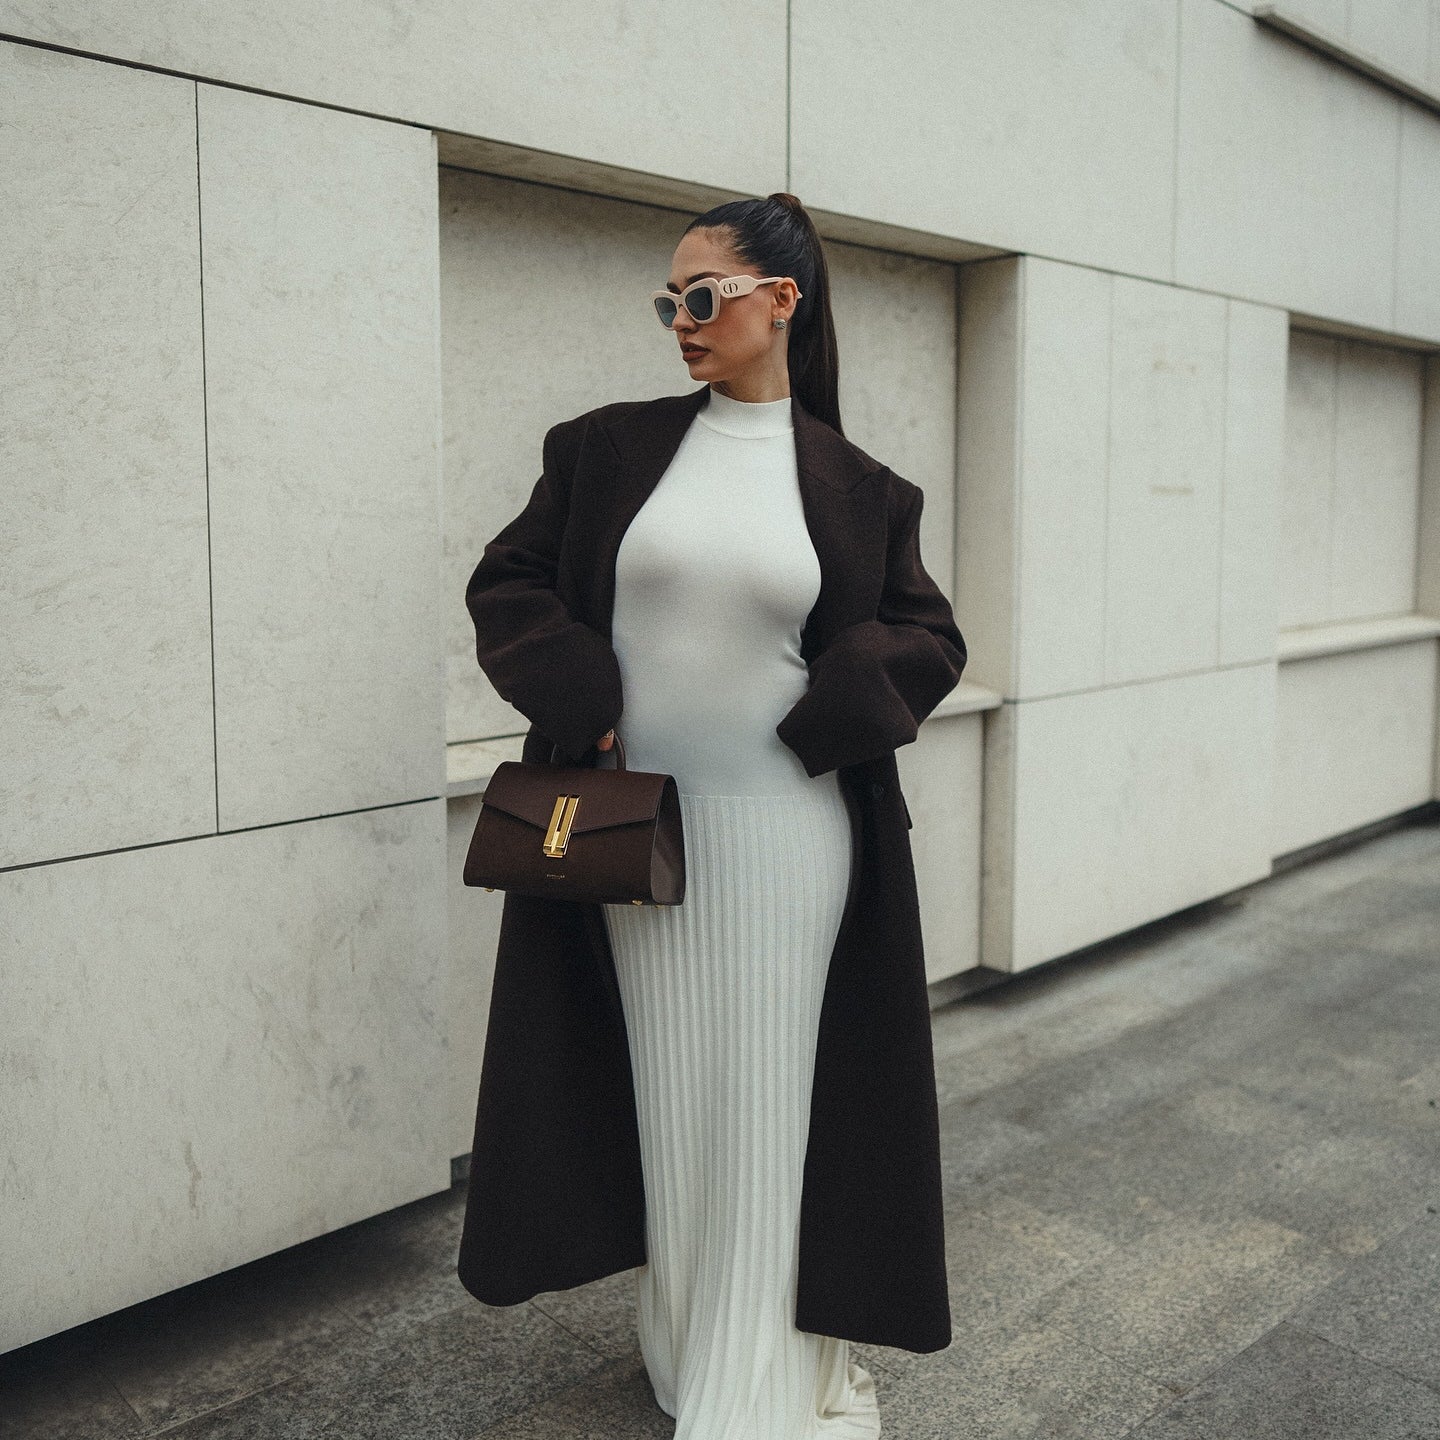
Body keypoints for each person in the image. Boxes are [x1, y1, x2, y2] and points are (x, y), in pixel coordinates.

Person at [461, 191, 966, 1438]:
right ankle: (687, 1344)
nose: (681, 321)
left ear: (778, 302)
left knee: (772, 1103)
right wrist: (582, 695)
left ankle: (757, 1388)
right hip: (635, 834)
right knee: (671, 1094)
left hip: (793, 840)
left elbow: (931, 636)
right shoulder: (603, 449)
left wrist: (827, 712)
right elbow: (509, 581)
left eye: (703, 297)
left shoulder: (863, 488)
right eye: (668, 301)